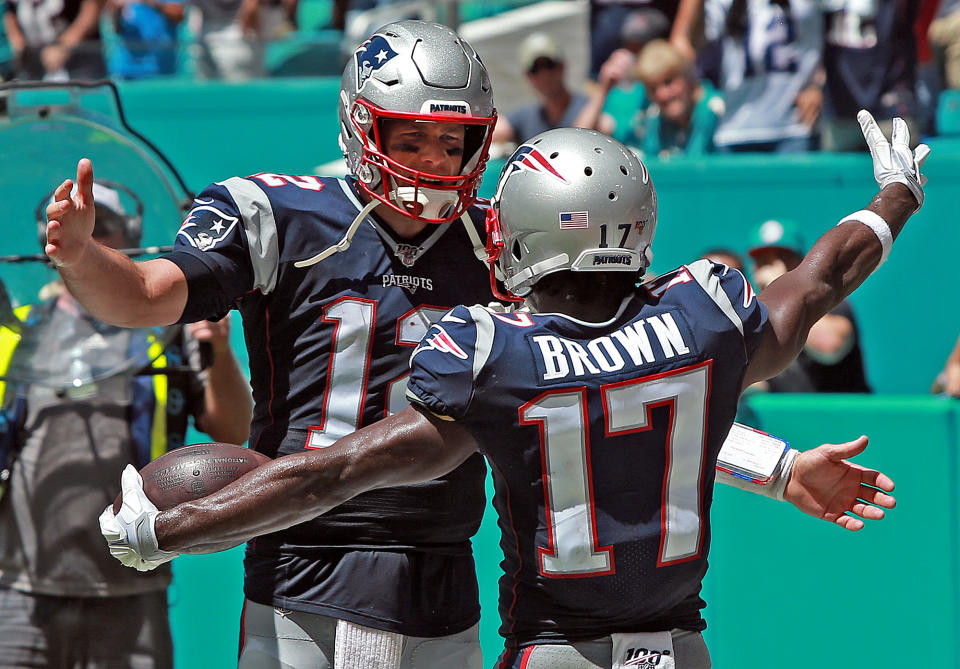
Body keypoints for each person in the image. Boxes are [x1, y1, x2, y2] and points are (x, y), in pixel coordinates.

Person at [100, 116, 920, 668]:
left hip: (553, 648)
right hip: (678, 647)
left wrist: (172, 527)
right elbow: (822, 276)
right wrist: (897, 195)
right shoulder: (703, 316)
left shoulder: (500, 359)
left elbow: (330, 472)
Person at [49, 20, 500, 669]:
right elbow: (148, 294)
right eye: (413, 136)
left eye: (452, 140)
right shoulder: (282, 214)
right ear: (361, 126)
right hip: (303, 561)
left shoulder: (498, 241)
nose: (433, 159)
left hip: (443, 569)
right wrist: (83, 257)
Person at [0, 180, 252, 668]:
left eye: (105, 227)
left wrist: (217, 349)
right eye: (76, 229)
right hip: (18, 589)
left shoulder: (169, 335)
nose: (91, 238)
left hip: (133, 590)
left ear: (131, 234)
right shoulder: (22, 330)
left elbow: (232, 429)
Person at [747, 217, 871, 392]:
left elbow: (830, 345)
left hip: (843, 416)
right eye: (763, 260)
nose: (775, 267)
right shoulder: (752, 315)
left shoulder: (829, 300)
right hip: (785, 418)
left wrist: (782, 291)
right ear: (754, 270)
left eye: (785, 257)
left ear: (802, 263)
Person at [577, 39, 723, 158]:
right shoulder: (654, 119)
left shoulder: (720, 110)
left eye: (669, 81)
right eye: (653, 88)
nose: (662, 94)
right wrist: (603, 90)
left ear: (688, 76)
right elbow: (580, 140)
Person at [491, 32, 595, 151]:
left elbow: (584, 139)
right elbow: (491, 132)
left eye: (549, 65)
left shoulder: (589, 107)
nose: (544, 75)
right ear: (527, 76)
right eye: (535, 69)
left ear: (562, 66)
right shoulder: (527, 116)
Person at [2, 0, 106, 80]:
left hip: (80, 61)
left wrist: (64, 45)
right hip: (34, 62)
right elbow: (9, 12)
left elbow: (92, 8)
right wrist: (17, 43)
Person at [107, 0, 185, 79]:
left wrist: (152, 2)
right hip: (130, 72)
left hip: (164, 72)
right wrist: (117, 9)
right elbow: (116, 27)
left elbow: (179, 13)